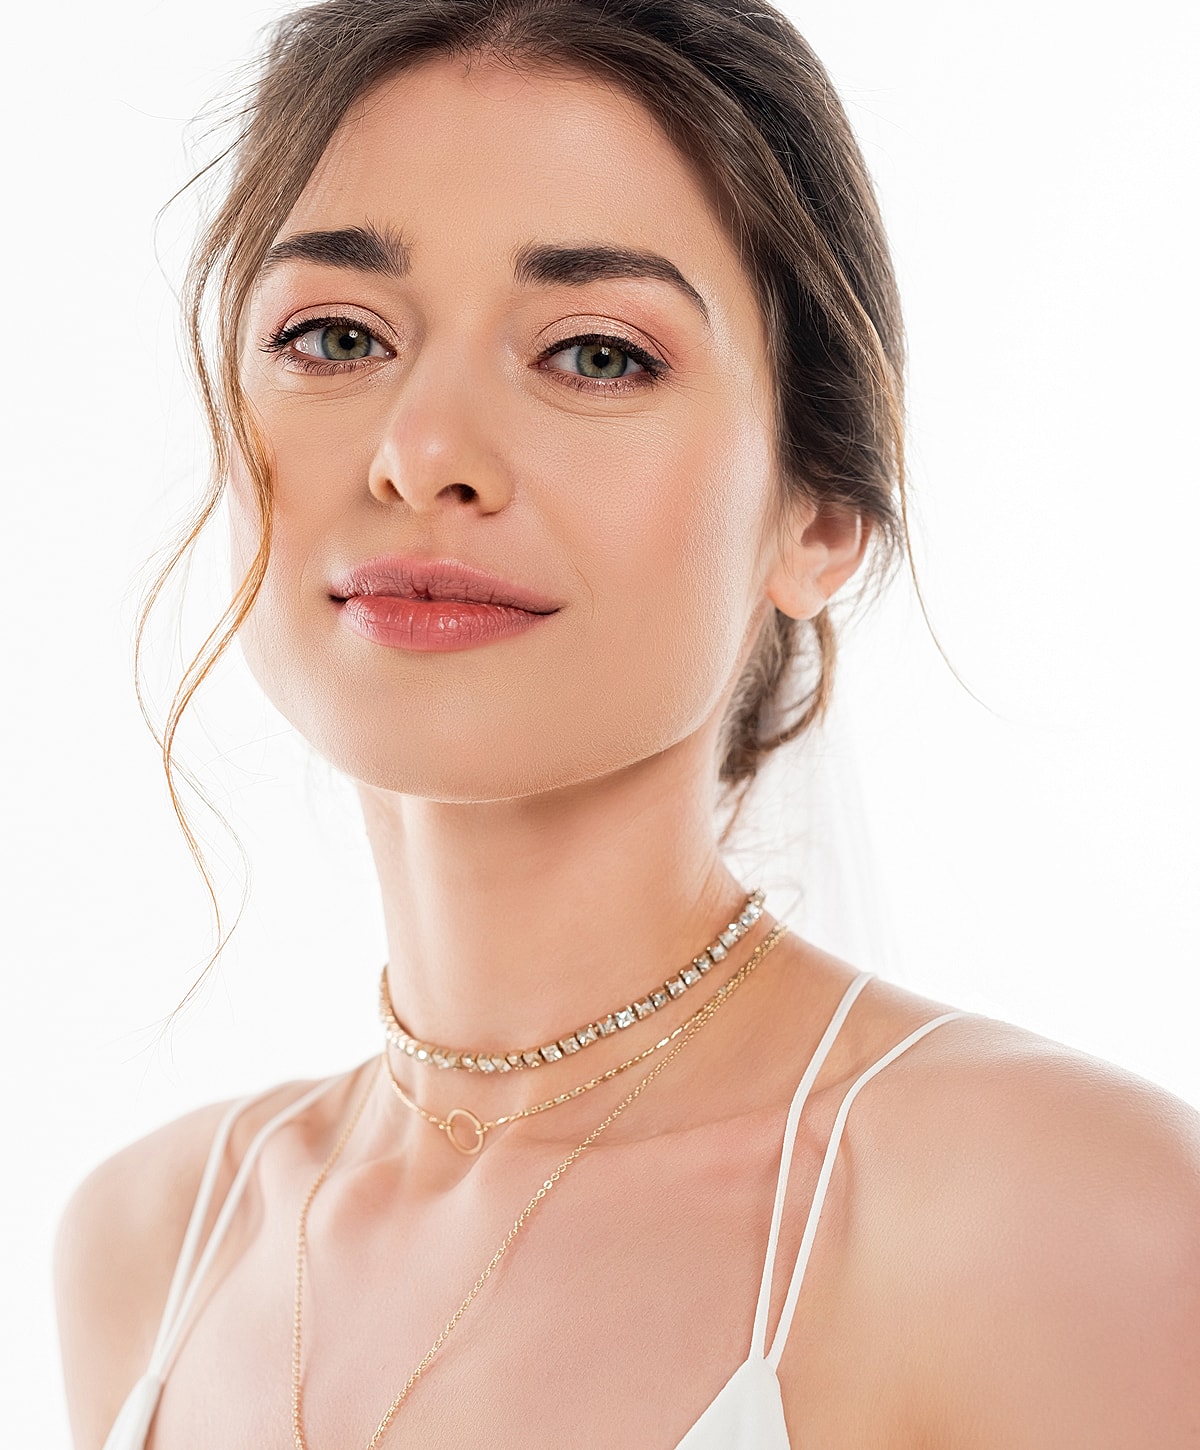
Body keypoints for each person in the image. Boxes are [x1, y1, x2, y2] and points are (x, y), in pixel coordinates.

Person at [52, 0, 1200, 1445]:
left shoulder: (1065, 1218)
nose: (426, 454)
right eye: (336, 334)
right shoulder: (150, 1248)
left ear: (822, 514)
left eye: (596, 353)